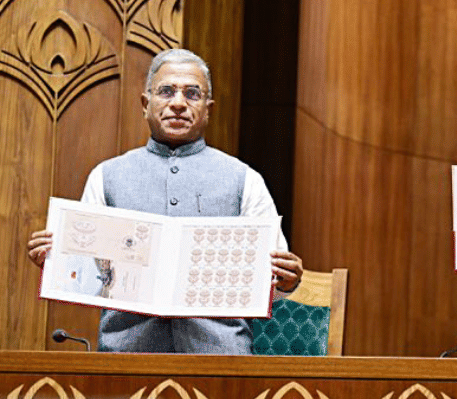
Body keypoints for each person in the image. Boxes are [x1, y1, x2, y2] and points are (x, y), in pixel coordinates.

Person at [27, 49, 303, 353]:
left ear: (208, 109)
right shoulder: (106, 177)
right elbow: (87, 274)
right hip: (127, 363)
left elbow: (272, 287)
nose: (178, 103)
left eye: (192, 94)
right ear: (145, 104)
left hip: (221, 364)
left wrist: (286, 282)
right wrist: (56, 260)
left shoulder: (245, 179)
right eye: (166, 91)